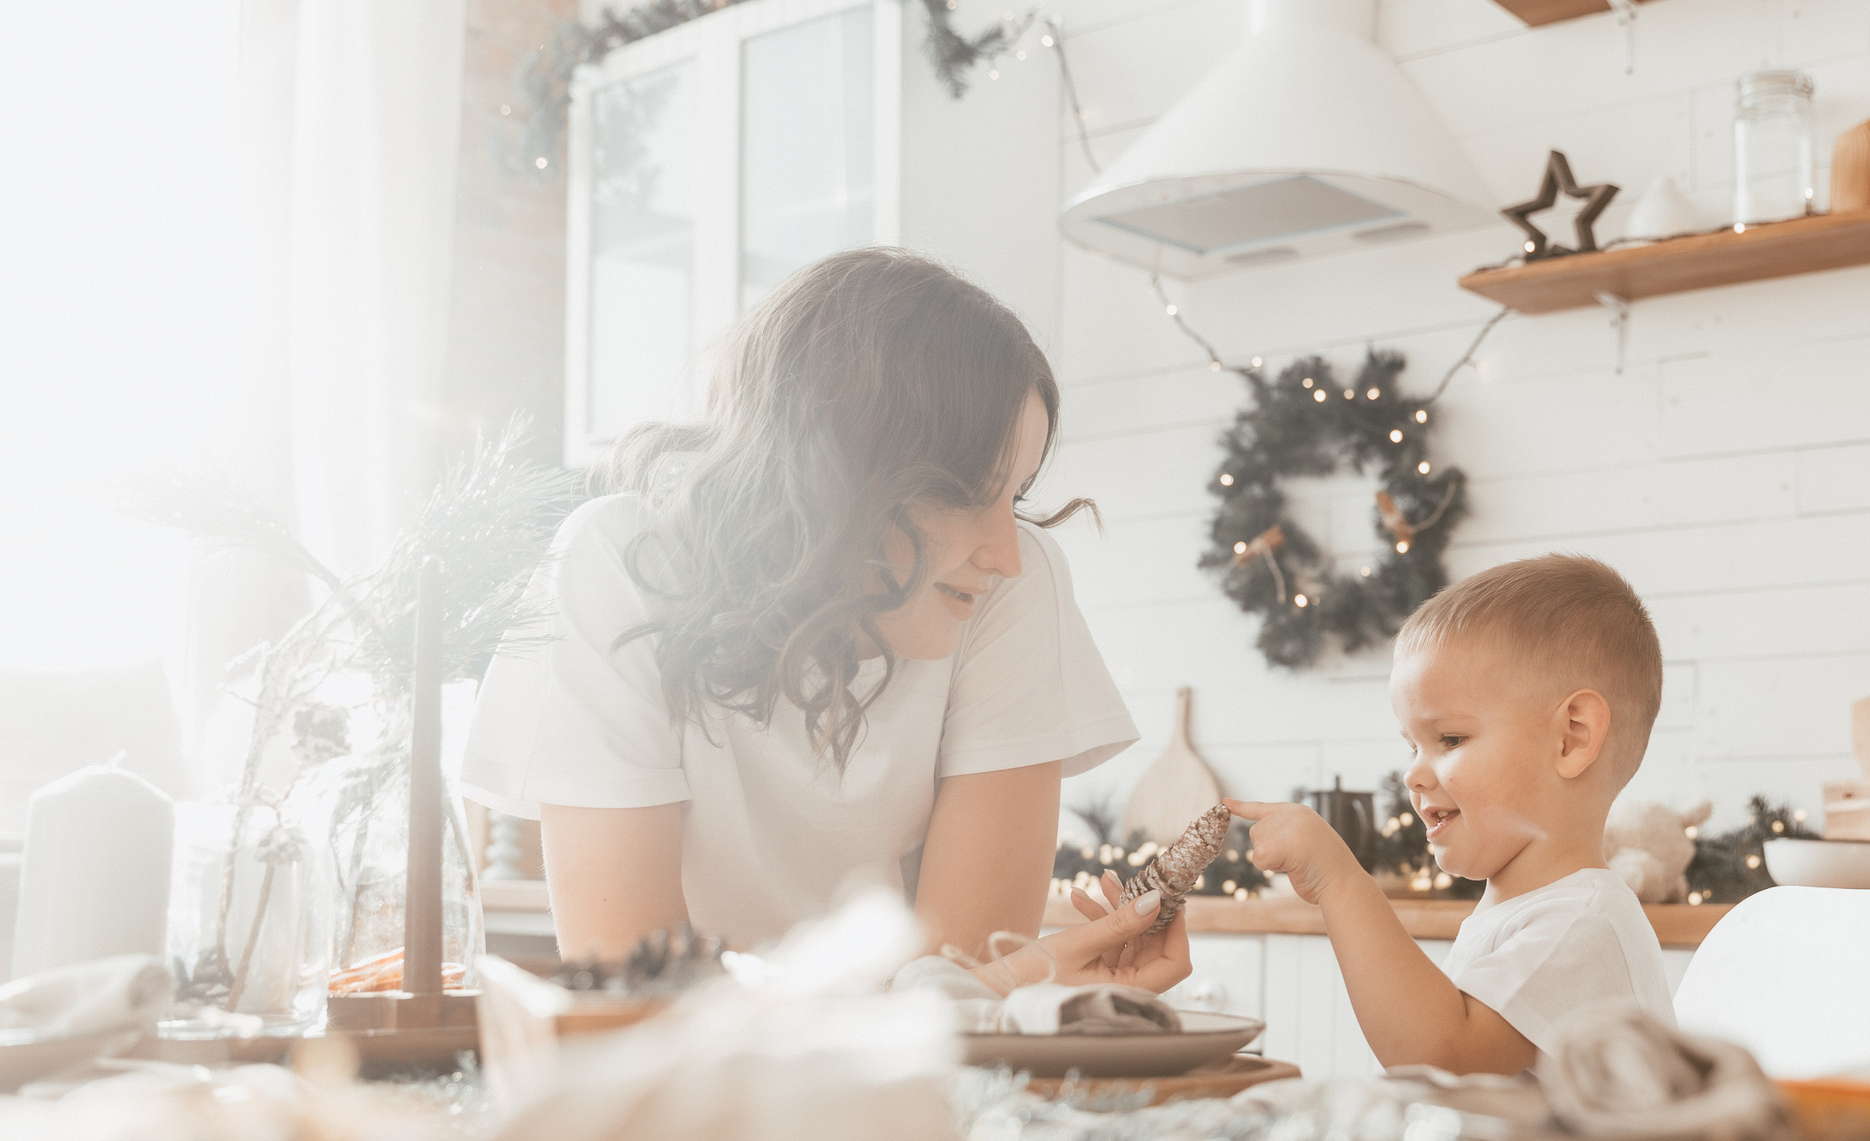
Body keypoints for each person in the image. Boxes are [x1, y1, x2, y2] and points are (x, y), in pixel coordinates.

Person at [462, 248, 1186, 990]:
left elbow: (964, 979)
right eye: (969, 492)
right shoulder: (618, 560)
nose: (1006, 552)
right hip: (688, 1094)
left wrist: (969, 994)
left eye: (1019, 494)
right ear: (834, 474)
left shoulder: (1010, 588)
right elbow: (635, 990)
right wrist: (953, 995)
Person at [1230, 556, 1670, 1073]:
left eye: (1451, 739)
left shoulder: (1583, 923)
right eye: (1411, 747)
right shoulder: (1528, 913)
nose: (1413, 775)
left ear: (1572, 736)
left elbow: (1444, 1058)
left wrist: (1341, 881)